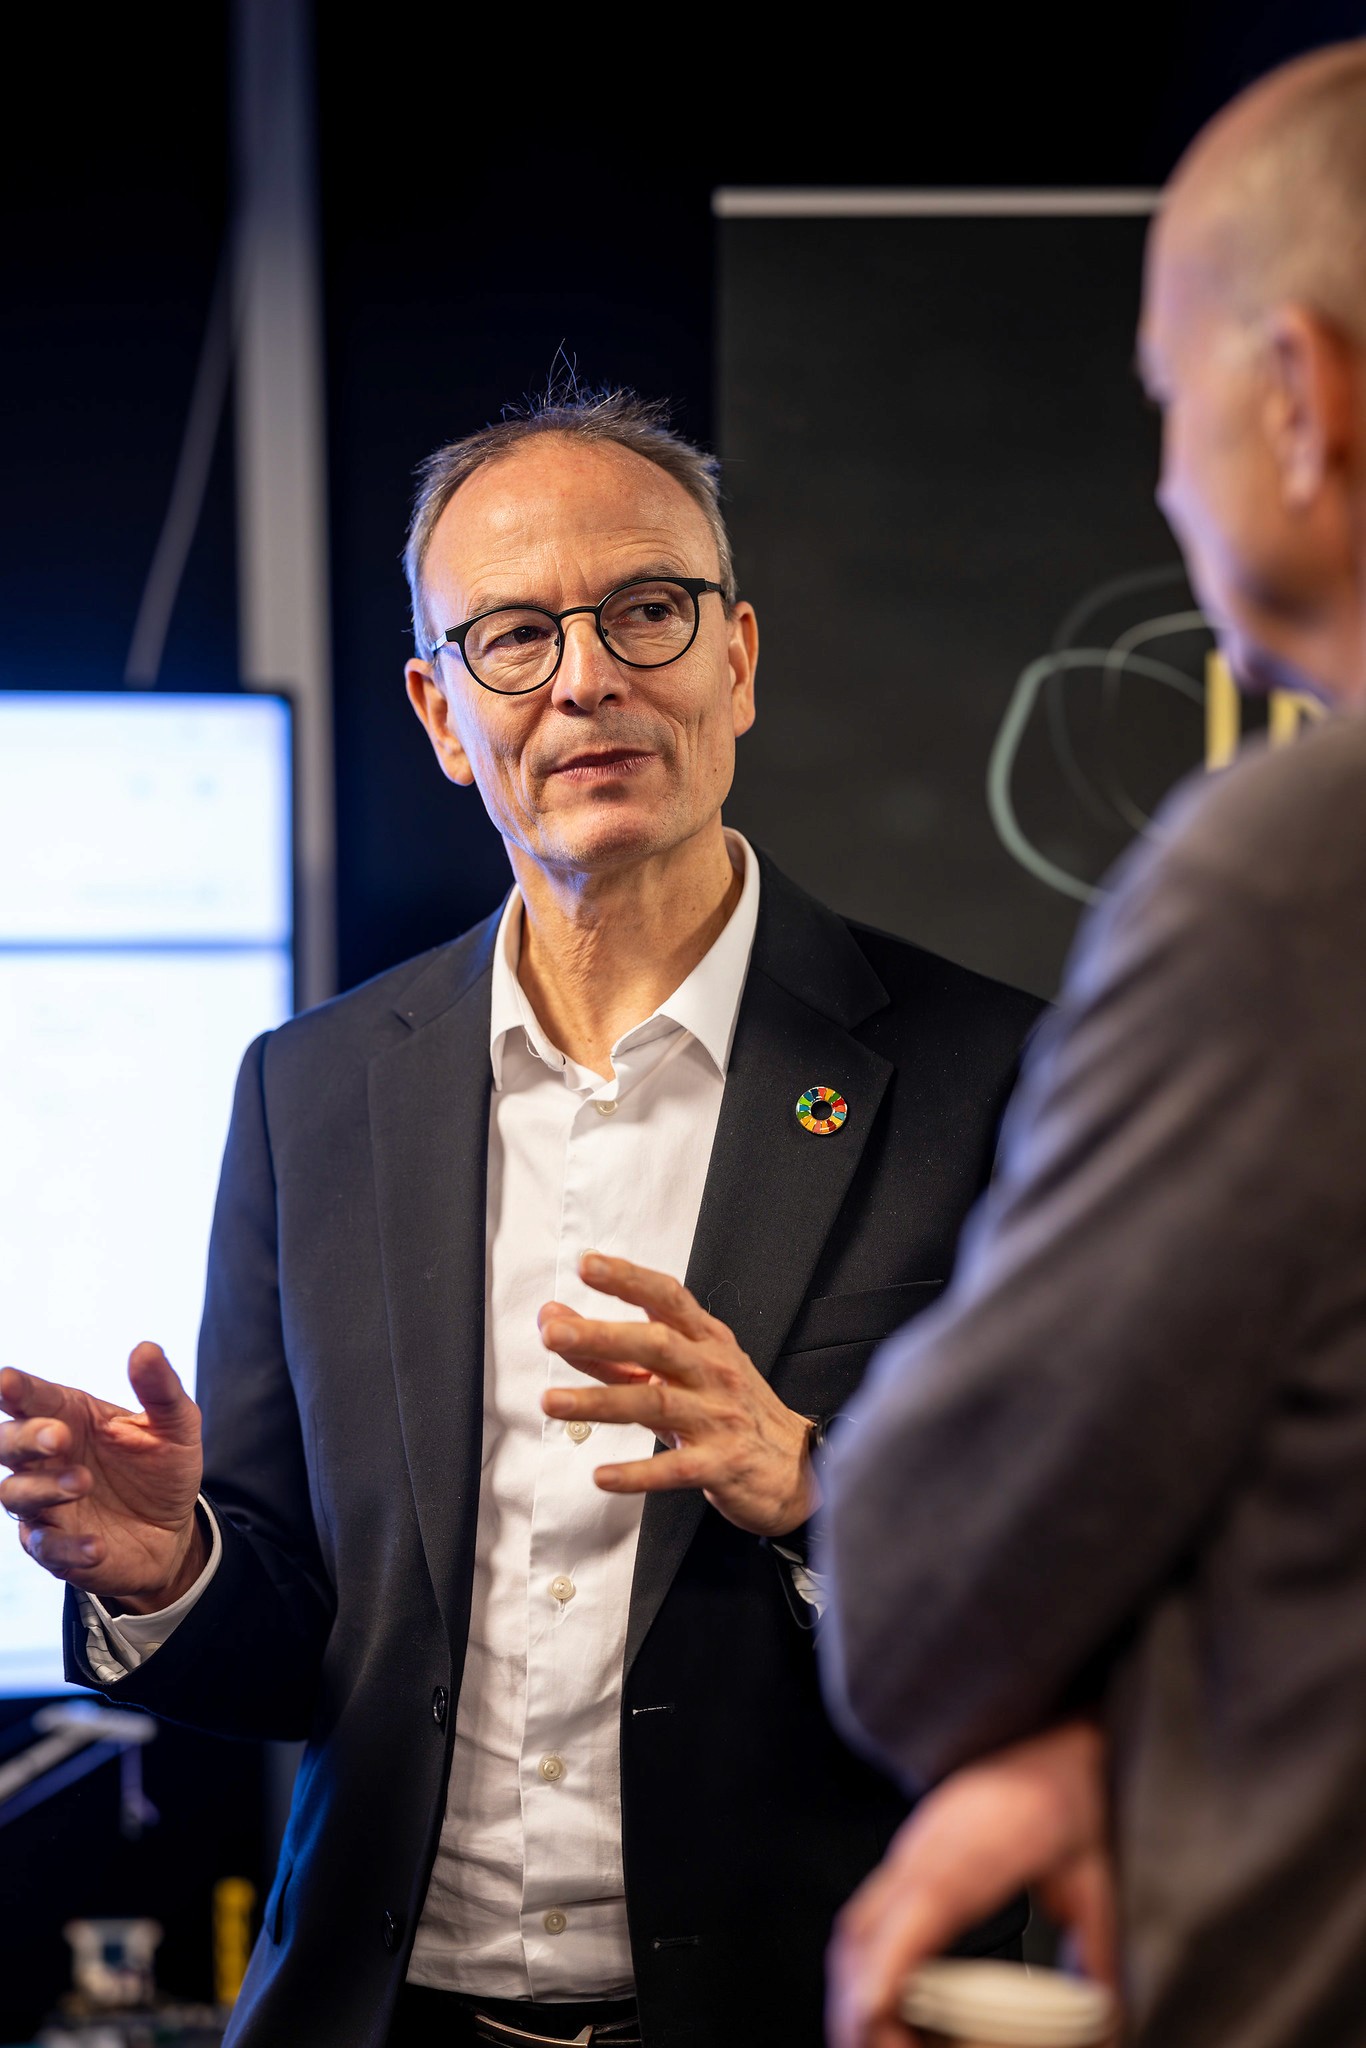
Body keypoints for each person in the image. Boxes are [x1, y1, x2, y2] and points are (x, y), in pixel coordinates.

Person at [0, 390, 1041, 2048]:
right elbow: (302, 1659)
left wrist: (813, 1496)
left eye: (644, 610)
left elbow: (1078, 1605)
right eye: (510, 634)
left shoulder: (995, 1076)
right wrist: (171, 1571)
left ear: (737, 659)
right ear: (434, 707)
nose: (585, 678)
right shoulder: (310, 1091)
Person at [820, 39, 1366, 2048]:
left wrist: (1102, 1731)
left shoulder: (1295, 873)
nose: (1156, 472)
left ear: (1295, 399)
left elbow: (921, 1589)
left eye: (1165, 397)